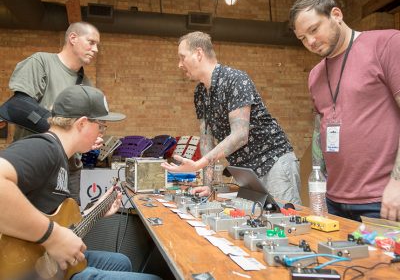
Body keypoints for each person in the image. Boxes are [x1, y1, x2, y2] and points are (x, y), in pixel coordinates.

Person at [0, 85, 161, 280]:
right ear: (82, 124)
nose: (101, 134)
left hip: (46, 260)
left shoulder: (63, 157)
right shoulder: (45, 148)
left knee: (122, 262)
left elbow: (58, 218)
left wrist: (96, 209)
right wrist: (53, 237)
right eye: (100, 126)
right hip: (24, 270)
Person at [289, 0, 400, 221]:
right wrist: (318, 187)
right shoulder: (315, 75)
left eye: (314, 30)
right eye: (302, 38)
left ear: (336, 15)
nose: (310, 42)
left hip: (383, 199)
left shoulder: (387, 43)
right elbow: (319, 128)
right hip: (333, 200)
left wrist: (398, 181)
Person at [161, 31, 301, 205]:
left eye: (182, 57)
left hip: (273, 162)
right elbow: (206, 141)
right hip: (246, 171)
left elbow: (240, 135)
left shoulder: (236, 79)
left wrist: (198, 165)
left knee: (286, 222)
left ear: (198, 54)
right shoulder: (200, 93)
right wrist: (208, 184)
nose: (179, 64)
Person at [2, 21, 101, 205]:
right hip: (38, 161)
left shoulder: (86, 83)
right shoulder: (41, 62)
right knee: (29, 227)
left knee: (70, 223)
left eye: (97, 45)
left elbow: (82, 126)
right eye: (91, 42)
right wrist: (61, 129)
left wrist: (89, 138)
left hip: (71, 168)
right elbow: (19, 107)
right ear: (73, 38)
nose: (95, 49)